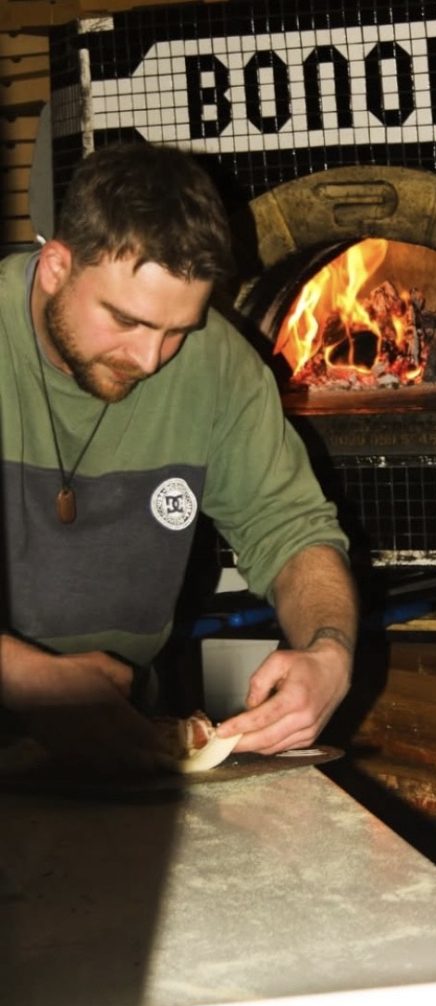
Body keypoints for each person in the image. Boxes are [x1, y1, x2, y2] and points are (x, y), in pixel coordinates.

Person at [0, 141, 358, 772]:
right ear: (56, 265)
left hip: (126, 732)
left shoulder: (217, 364)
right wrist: (28, 679)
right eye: (127, 321)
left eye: (176, 331)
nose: (148, 359)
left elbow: (290, 529)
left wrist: (330, 651)